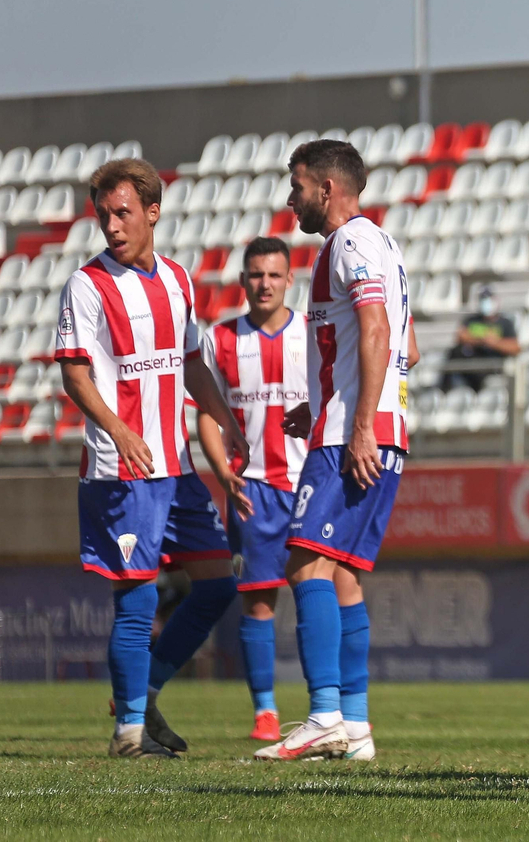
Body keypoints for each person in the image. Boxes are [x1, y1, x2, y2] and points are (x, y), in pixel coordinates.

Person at [54, 158, 249, 758]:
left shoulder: (178, 280)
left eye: (123, 212)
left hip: (178, 467)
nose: (112, 225)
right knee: (136, 601)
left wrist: (225, 416)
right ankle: (129, 734)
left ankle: (147, 691)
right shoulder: (87, 286)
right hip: (124, 470)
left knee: (217, 585)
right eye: (104, 215)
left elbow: (191, 363)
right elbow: (74, 375)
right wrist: (116, 430)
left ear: (152, 212)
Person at [253, 140, 410, 763]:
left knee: (303, 566)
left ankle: (323, 715)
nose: (290, 198)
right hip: (369, 426)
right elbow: (406, 347)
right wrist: (322, 407)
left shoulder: (350, 243)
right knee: (341, 575)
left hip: (355, 436)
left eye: (296, 186)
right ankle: (358, 725)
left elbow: (376, 330)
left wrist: (358, 422)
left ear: (325, 187)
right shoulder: (383, 246)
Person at [195, 235, 307, 745]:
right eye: (255, 275)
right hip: (252, 489)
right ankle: (265, 710)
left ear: (289, 280)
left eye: (273, 275)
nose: (264, 284)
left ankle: (332, 708)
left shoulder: (311, 333)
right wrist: (222, 472)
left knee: (319, 594)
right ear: (243, 280)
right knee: (259, 603)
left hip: (311, 484)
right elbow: (204, 414)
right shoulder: (219, 341)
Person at [445, 286, 518, 391]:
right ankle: (446, 389)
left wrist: (495, 343)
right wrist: (482, 340)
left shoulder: (505, 323)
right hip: (473, 361)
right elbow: (461, 336)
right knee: (455, 353)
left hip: (494, 364)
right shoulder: (472, 320)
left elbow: (515, 347)